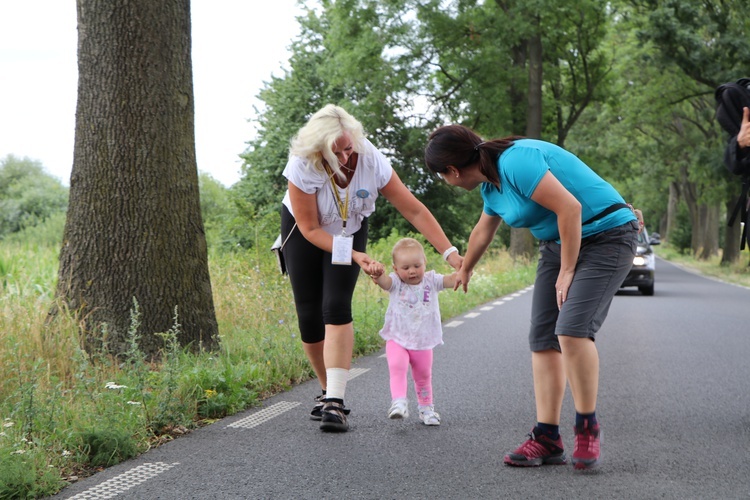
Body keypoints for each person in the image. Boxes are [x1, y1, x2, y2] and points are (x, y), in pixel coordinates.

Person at [424, 124, 640, 470]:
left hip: (607, 235)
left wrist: (567, 271)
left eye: (442, 177)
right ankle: (547, 438)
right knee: (542, 339)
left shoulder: (515, 161)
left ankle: (587, 428)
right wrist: (466, 268)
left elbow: (570, 208)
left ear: (451, 171)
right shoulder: (491, 188)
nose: (446, 183)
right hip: (558, 244)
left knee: (571, 329)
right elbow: (483, 230)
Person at [280, 104, 462, 433]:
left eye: (349, 148)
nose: (346, 158)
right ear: (319, 150)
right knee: (308, 313)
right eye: (336, 153)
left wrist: (449, 252)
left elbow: (414, 210)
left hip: (350, 228)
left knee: (335, 305)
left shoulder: (371, 159)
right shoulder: (302, 165)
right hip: (307, 233)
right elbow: (310, 229)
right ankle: (326, 389)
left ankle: (335, 402)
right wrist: (354, 256)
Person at [369, 238, 457, 426]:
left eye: (417, 265)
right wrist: (377, 275)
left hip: (423, 340)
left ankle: (426, 409)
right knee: (397, 367)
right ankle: (399, 402)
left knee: (423, 375)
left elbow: (450, 280)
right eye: (406, 267)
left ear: (425, 263)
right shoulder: (395, 282)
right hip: (397, 337)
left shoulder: (431, 280)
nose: (412, 271)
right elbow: (384, 283)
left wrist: (463, 273)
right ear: (395, 269)